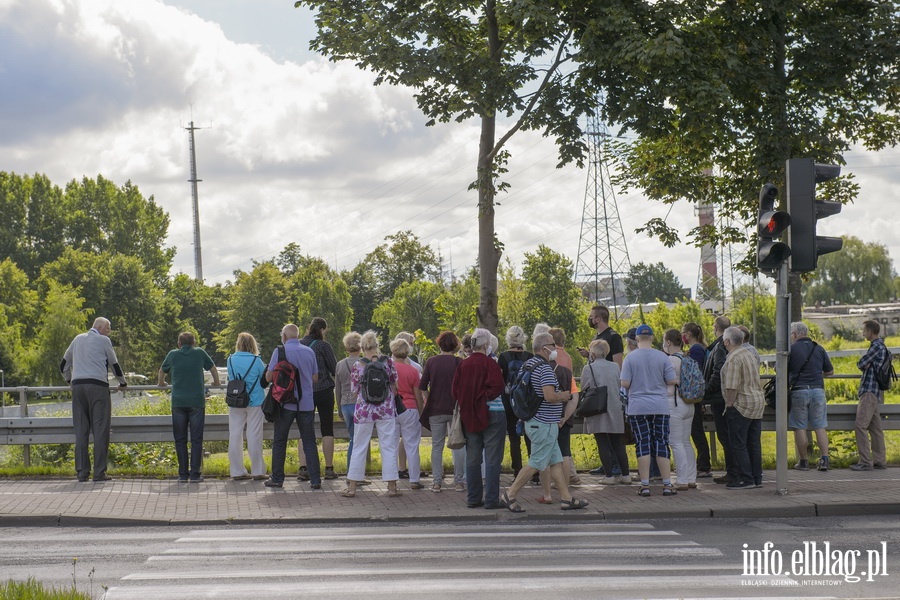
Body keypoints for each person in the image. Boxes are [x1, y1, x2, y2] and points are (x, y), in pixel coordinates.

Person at [500, 333, 589, 513]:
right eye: (552, 345)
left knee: (555, 461)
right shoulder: (545, 369)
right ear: (544, 348)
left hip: (535, 421)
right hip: (544, 424)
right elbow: (549, 396)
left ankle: (566, 498)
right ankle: (509, 495)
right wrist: (563, 396)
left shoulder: (529, 365)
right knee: (536, 462)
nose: (555, 348)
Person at [60, 317, 127, 482]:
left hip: (78, 387)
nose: (109, 331)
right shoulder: (104, 341)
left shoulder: (77, 339)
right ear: (100, 327)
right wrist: (123, 382)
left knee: (81, 432)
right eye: (108, 328)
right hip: (98, 387)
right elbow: (115, 365)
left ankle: (82, 473)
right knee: (100, 430)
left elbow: (63, 364)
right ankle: (99, 473)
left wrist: (70, 380)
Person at [342, 331, 402, 498]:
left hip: (364, 411)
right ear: (377, 345)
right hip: (386, 410)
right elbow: (395, 385)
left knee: (359, 446)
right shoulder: (387, 362)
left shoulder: (358, 365)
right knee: (388, 446)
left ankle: (352, 487)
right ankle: (391, 487)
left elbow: (354, 391)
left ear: (362, 347)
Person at [451, 328, 506, 509]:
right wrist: (483, 397)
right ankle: (491, 499)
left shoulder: (463, 365)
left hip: (470, 415)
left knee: (473, 457)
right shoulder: (491, 364)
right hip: (494, 413)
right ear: (487, 345)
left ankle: (473, 498)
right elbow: (498, 387)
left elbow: (455, 391)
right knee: (492, 458)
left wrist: (471, 400)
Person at [621, 324, 678, 497]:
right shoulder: (662, 357)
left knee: (642, 443)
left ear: (636, 339)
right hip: (660, 406)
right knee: (661, 442)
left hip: (637, 407)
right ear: (652, 338)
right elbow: (672, 380)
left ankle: (645, 485)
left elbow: (624, 383)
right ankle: (667, 484)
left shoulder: (630, 358)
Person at [158, 332, 220, 483]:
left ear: (179, 343)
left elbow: (162, 371)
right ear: (193, 342)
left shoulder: (173, 354)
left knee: (180, 439)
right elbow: (213, 369)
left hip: (178, 402)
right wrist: (216, 383)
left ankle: (182, 474)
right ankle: (195, 474)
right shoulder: (199, 352)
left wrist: (161, 384)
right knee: (196, 439)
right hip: (196, 402)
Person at [265, 324, 319, 489]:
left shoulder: (279, 352)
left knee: (280, 441)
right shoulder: (310, 351)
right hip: (307, 404)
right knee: (309, 440)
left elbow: (268, 377)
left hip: (285, 403)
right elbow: (315, 378)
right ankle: (315, 479)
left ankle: (277, 479)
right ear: (298, 335)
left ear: (284, 337)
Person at [419, 331, 465, 493]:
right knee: (458, 445)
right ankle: (459, 481)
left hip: (435, 409)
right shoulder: (459, 362)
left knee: (437, 447)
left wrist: (426, 399)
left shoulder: (431, 362)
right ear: (455, 345)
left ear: (439, 344)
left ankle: (437, 482)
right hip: (455, 410)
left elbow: (422, 385)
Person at [721, 326, 765, 489]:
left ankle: (745, 479)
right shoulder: (749, 353)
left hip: (741, 404)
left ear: (727, 341)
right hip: (756, 402)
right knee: (754, 443)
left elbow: (731, 386)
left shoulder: (733, 358)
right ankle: (756, 478)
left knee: (738, 443)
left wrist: (729, 404)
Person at [581, 339, 630, 485]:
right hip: (615, 406)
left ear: (593, 353)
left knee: (602, 440)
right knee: (617, 442)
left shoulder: (588, 368)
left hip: (598, 407)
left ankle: (609, 475)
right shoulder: (615, 366)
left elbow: (584, 387)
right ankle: (626, 475)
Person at [788, 322, 833, 472]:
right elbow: (829, 371)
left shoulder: (791, 349)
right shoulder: (818, 348)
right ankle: (825, 459)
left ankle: (803, 462)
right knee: (819, 426)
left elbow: (780, 369)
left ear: (794, 334)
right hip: (818, 391)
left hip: (799, 391)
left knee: (800, 426)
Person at [297, 317, 337, 481]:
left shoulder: (299, 345)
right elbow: (334, 368)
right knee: (327, 429)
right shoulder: (323, 346)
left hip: (304, 392)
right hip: (324, 391)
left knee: (304, 430)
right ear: (322, 330)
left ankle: (303, 467)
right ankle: (328, 468)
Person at [226, 332, 268, 480]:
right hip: (254, 400)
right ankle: (257, 470)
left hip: (235, 400)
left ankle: (237, 471)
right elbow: (264, 378)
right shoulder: (256, 360)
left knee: (235, 435)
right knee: (254, 435)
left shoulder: (230, 359)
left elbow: (231, 378)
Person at [851, 320, 889, 471]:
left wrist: (865, 364)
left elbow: (861, 363)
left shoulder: (876, 346)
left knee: (860, 426)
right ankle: (880, 460)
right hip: (876, 392)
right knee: (875, 429)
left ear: (871, 332)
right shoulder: (883, 346)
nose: (863, 333)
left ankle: (865, 462)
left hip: (868, 390)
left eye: (865, 331)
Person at [663, 329, 697, 491]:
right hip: (689, 403)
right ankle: (691, 478)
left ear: (668, 342)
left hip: (674, 403)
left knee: (675, 443)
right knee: (686, 442)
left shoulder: (670, 360)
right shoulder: (686, 357)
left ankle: (681, 480)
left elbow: (665, 381)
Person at [704, 315, 736, 485]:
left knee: (725, 436)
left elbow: (718, 372)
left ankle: (732, 471)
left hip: (719, 398)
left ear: (716, 327)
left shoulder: (720, 346)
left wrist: (707, 390)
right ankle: (733, 470)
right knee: (727, 436)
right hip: (721, 396)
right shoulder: (722, 345)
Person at [498, 326, 533, 477]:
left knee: (513, 438)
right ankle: (535, 471)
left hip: (509, 401)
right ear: (523, 338)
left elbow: (500, 380)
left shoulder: (503, 357)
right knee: (530, 437)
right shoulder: (529, 356)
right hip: (527, 401)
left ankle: (517, 470)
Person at [391, 338, 425, 490]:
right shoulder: (414, 371)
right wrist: (421, 412)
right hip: (410, 409)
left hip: (392, 409)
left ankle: (391, 480)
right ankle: (414, 480)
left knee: (390, 446)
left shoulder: (388, 369)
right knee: (412, 445)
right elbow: (418, 395)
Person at [682, 322, 711, 478]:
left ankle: (704, 465)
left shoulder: (696, 350)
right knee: (696, 431)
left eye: (683, 333)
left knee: (696, 432)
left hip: (694, 396)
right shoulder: (700, 348)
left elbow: (693, 373)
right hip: (698, 396)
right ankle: (703, 464)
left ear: (688, 334)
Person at [335, 332, 363, 474]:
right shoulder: (365, 363)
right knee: (360, 441)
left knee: (353, 438)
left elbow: (337, 389)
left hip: (345, 404)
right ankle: (356, 473)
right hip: (360, 403)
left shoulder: (340, 364)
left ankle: (351, 472)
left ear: (346, 347)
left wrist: (339, 408)